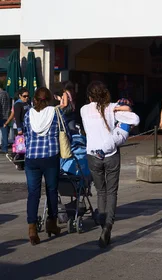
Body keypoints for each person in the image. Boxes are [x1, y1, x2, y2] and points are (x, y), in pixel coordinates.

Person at [80, 81, 134, 248]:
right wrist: (118, 107)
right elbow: (129, 111)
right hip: (111, 154)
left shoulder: (83, 109)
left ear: (89, 96)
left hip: (92, 154)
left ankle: (103, 224)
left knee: (100, 191)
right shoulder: (111, 107)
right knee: (112, 192)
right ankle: (108, 225)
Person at [24, 87, 70, 245]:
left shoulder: (28, 114)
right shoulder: (56, 113)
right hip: (50, 157)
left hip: (31, 158)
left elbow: (26, 134)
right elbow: (66, 132)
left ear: (35, 99)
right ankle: (51, 223)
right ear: (49, 99)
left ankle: (32, 228)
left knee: (33, 193)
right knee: (51, 190)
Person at [0, 81, 11, 154]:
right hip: (7, 116)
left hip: (1, 116)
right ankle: (4, 148)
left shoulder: (0, 95)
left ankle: (4, 148)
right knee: (5, 134)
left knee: (4, 133)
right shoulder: (6, 93)